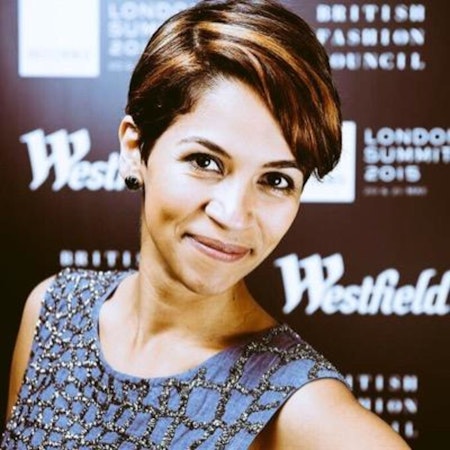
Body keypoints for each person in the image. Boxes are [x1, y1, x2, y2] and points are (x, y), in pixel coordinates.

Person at [2, 0, 410, 448]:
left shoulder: (301, 409)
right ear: (135, 149)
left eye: (275, 180)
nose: (233, 214)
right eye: (205, 161)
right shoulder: (55, 310)